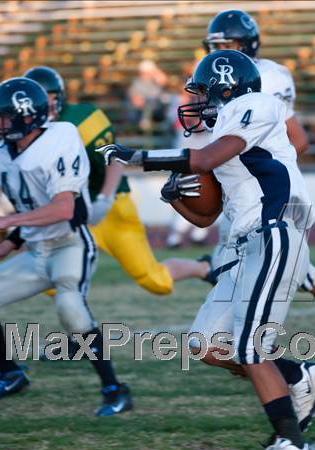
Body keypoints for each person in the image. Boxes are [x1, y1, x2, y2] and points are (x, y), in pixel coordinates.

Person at [97, 50, 315, 450]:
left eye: (201, 92)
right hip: (244, 244)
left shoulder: (258, 105)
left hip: (276, 231)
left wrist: (139, 157)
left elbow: (204, 160)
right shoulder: (214, 132)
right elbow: (207, 216)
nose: (194, 102)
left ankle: (293, 445)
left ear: (226, 89)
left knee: (251, 346)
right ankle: (294, 376)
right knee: (207, 343)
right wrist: (175, 198)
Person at [196, 9, 315, 360]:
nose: (219, 54)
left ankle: (264, 356)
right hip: (244, 191)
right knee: (296, 270)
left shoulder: (268, 77)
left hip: (265, 194)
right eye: (215, 46)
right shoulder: (220, 79)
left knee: (244, 265)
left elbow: (294, 139)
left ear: (248, 44)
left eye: (228, 45)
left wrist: (257, 170)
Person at [0, 77, 132, 415]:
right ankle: (9, 374)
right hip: (37, 250)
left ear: (26, 117)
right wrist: (9, 244)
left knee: (70, 308)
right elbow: (30, 209)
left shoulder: (59, 138)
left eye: (3, 117)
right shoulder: (3, 159)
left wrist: (5, 222)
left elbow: (64, 209)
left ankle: (115, 389)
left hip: (70, 244)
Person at [23, 66, 212, 300]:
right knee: (53, 283)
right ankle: (79, 322)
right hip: (72, 211)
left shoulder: (84, 118)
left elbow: (113, 159)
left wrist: (104, 198)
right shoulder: (26, 130)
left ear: (59, 97)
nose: (43, 104)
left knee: (155, 281)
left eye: (48, 97)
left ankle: (203, 267)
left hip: (110, 206)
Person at [127, 59, 168, 133]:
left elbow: (163, 80)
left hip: (157, 108)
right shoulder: (137, 82)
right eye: (143, 72)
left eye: (146, 72)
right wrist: (138, 99)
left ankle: (145, 121)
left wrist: (154, 71)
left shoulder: (156, 80)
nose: (144, 74)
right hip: (140, 109)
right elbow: (134, 97)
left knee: (151, 100)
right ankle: (143, 122)